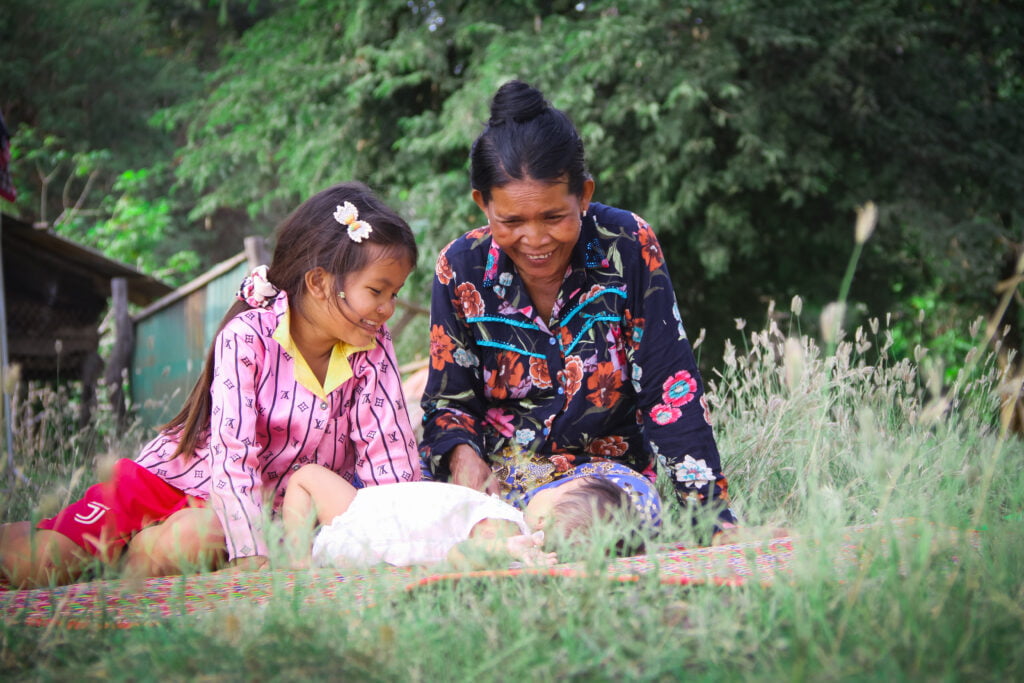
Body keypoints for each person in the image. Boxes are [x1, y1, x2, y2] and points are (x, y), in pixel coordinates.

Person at [0, 182, 421, 588]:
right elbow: (232, 455)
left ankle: (125, 563)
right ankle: (62, 544)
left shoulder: (372, 350)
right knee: (44, 564)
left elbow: (390, 456)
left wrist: (402, 541)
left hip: (253, 516)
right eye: (377, 291)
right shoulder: (248, 336)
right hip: (166, 483)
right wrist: (252, 557)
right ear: (318, 282)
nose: (387, 309)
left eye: (395, 293)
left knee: (186, 542)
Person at [419, 80, 738, 541]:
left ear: (583, 194)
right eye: (510, 221)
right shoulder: (459, 268)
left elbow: (670, 389)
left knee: (597, 525)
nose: (535, 239)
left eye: (553, 217)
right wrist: (462, 459)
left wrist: (711, 518)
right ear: (482, 205)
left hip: (604, 486)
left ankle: (524, 547)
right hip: (495, 488)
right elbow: (448, 403)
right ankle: (506, 543)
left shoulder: (627, 244)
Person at [282, 461, 659, 569]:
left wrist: (503, 549)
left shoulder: (506, 531)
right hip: (370, 517)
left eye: (557, 488)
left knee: (307, 477)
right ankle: (302, 558)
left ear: (543, 524)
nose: (548, 486)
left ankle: (297, 562)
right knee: (308, 480)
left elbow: (460, 555)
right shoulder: (509, 524)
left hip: (364, 522)